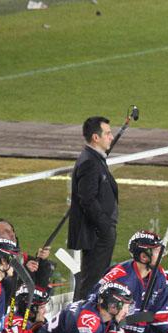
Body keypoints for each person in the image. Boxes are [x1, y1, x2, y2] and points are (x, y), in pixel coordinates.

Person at [69, 116, 119, 300]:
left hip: (99, 231)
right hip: (96, 234)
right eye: (108, 133)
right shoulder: (89, 162)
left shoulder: (95, 158)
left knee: (96, 280)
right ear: (95, 138)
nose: (111, 137)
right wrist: (105, 226)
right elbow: (87, 199)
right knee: (92, 282)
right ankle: (81, 314)